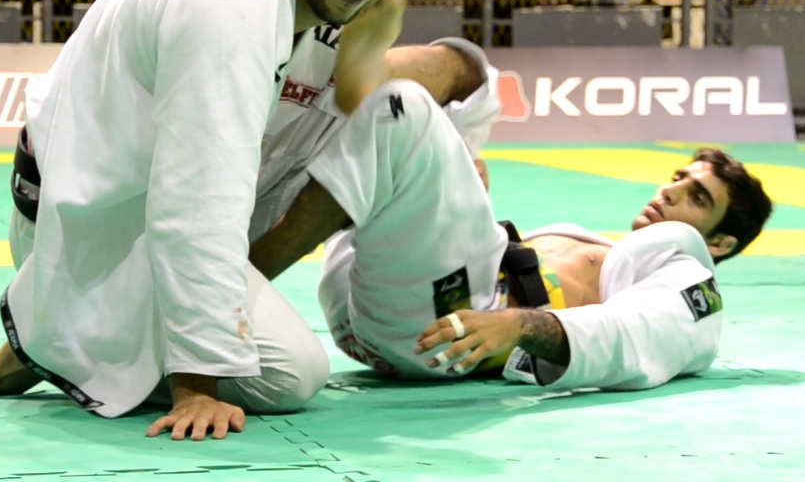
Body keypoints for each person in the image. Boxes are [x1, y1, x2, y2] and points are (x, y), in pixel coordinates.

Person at [0, 0, 421, 441]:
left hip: (121, 202)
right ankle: (65, 335)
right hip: (84, 227)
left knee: (350, 128)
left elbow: (366, 106)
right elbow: (196, 197)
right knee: (291, 375)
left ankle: (67, 328)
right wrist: (197, 383)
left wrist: (374, 42)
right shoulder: (231, 7)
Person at [247, 83, 772, 388]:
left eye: (698, 198)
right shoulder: (600, 247)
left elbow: (631, 333)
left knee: (400, 106)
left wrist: (516, 327)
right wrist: (465, 202)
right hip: (382, 302)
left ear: (720, 243)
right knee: (363, 116)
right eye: (680, 177)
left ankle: (236, 278)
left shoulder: (690, 283)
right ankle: (199, 245)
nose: (673, 191)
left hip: (442, 329)